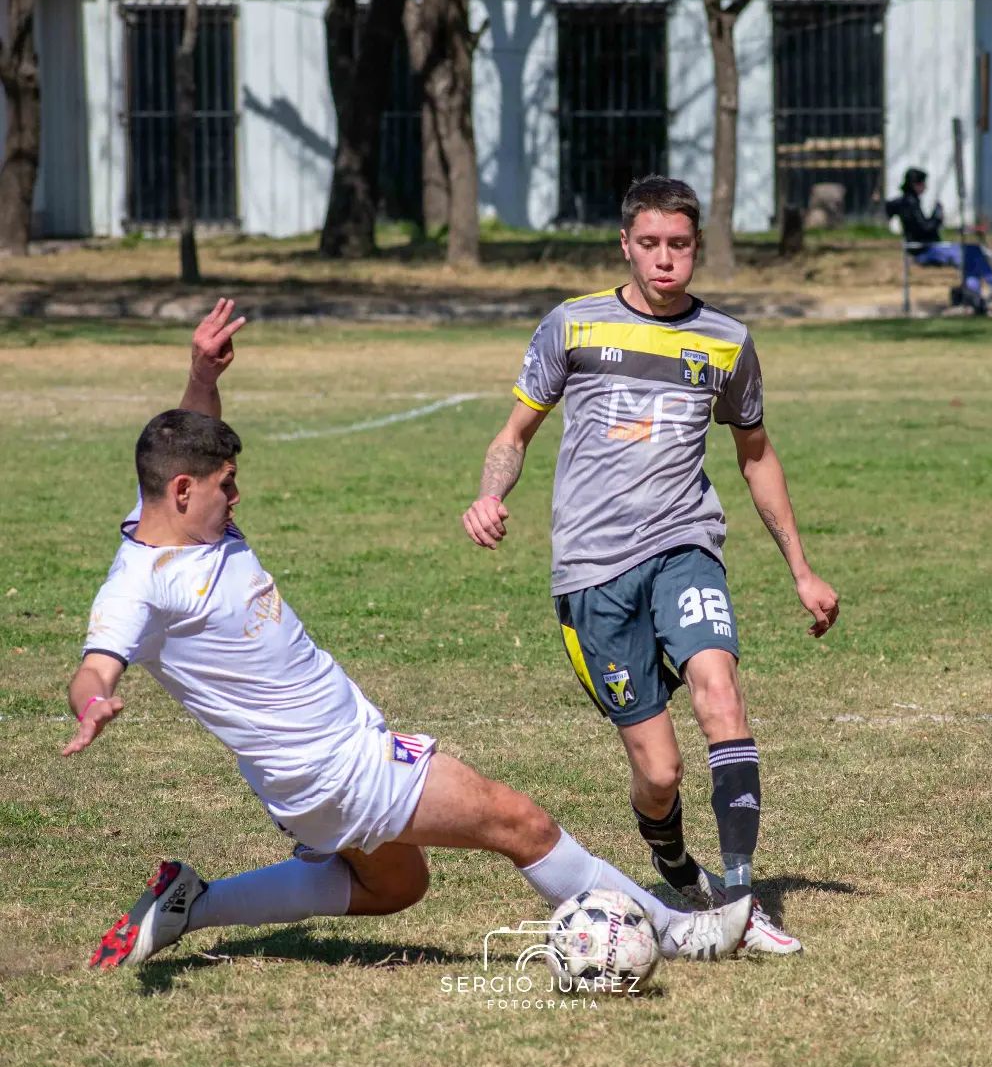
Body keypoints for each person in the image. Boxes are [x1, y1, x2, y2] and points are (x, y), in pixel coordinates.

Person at [64, 299, 752, 972]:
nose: (237, 499)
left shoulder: (168, 511)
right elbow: (96, 666)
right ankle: (676, 931)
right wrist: (93, 703)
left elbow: (194, 437)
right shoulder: (137, 586)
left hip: (304, 776)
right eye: (227, 488)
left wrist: (204, 379)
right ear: (183, 492)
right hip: (337, 767)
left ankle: (192, 905)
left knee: (396, 887)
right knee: (520, 823)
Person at [462, 176, 840, 956]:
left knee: (720, 692)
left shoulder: (726, 342)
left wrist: (802, 569)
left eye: (680, 245)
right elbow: (514, 435)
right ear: (626, 245)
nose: (666, 260)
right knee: (659, 774)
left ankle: (738, 904)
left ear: (696, 247)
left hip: (684, 544)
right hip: (592, 573)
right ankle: (673, 860)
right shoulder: (572, 327)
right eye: (651, 245)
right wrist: (489, 495)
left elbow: (756, 455)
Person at [885, 167, 992, 311]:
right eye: (923, 183)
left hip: (928, 246)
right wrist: (937, 216)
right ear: (916, 184)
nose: (925, 187)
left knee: (972, 254)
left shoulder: (906, 201)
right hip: (925, 249)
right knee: (971, 253)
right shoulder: (910, 203)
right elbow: (924, 228)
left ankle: (974, 296)